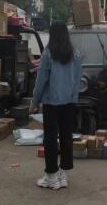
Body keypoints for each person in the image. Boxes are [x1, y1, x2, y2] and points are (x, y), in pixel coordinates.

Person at [30, 21, 82, 190]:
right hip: (70, 102)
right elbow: (78, 80)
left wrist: (34, 102)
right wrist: (73, 97)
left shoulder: (48, 54)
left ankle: (51, 176)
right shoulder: (75, 53)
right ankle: (63, 175)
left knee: (50, 138)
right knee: (66, 136)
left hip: (52, 102)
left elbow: (41, 81)